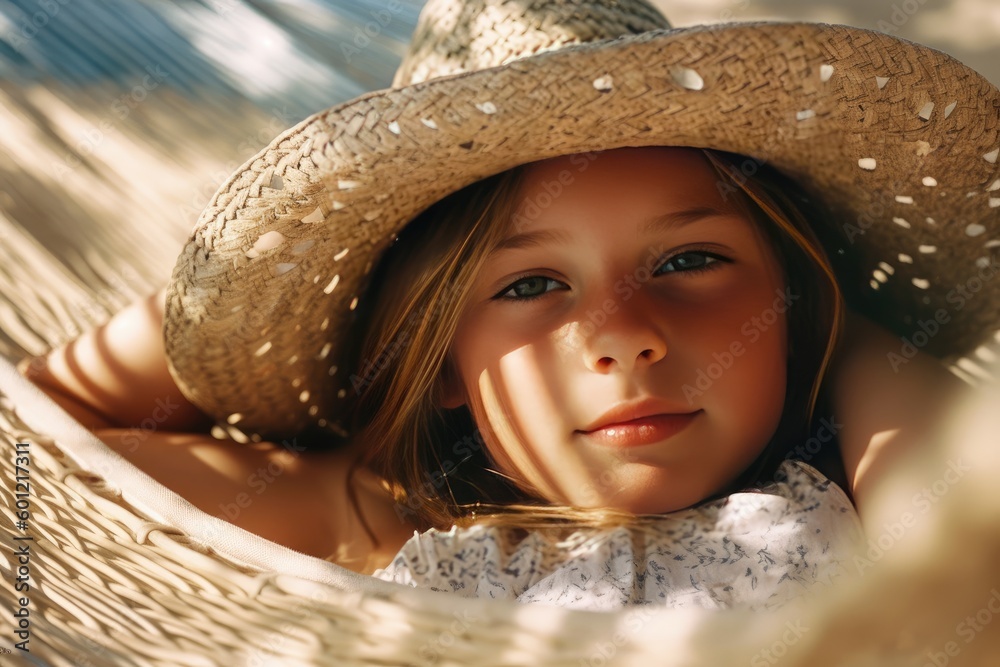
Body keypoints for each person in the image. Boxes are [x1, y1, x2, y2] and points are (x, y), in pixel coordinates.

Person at [16, 0, 992, 612]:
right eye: (529, 285)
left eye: (690, 259)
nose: (623, 337)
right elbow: (42, 444)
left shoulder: (854, 484)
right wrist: (250, 285)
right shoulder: (383, 524)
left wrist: (827, 328)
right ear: (442, 360)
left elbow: (965, 527)